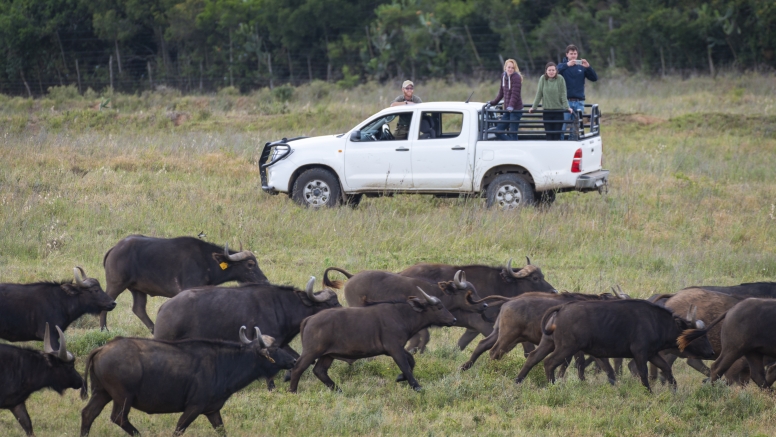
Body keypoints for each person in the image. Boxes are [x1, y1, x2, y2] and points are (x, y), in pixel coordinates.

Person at [557, 45, 598, 138]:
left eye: (575, 54)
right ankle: (560, 144)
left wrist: (588, 67)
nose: (573, 56)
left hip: (579, 101)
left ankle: (573, 145)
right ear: (567, 54)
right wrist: (567, 65)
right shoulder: (562, 66)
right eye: (571, 54)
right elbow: (554, 73)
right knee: (562, 126)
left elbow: (594, 78)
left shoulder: (582, 67)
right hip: (565, 101)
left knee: (575, 128)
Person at [529, 62, 572, 141]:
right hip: (547, 111)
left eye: (553, 70)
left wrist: (567, 107)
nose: (551, 72)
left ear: (556, 71)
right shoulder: (543, 78)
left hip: (558, 112)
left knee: (556, 136)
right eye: (549, 70)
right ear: (546, 71)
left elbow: (563, 94)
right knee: (549, 136)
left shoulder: (560, 79)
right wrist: (534, 107)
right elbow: (539, 93)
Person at [487, 59, 523, 140]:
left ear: (515, 69)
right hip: (507, 110)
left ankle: (514, 147)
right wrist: (493, 102)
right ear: (505, 67)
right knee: (498, 131)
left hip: (516, 110)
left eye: (512, 68)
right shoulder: (503, 76)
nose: (510, 69)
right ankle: (513, 144)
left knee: (513, 134)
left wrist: (511, 106)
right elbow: (501, 92)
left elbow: (515, 94)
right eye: (509, 67)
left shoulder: (516, 77)